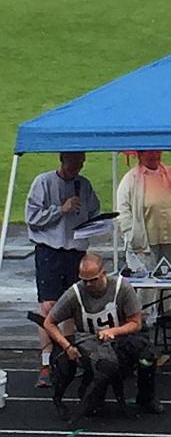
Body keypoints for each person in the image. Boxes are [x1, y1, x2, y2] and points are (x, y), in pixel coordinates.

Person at [42, 253, 163, 414]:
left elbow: (136, 323)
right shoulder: (74, 294)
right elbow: (49, 322)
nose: (89, 284)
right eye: (85, 280)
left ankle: (147, 397)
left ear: (104, 274)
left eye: (94, 279)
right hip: (90, 345)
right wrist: (67, 346)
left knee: (147, 356)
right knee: (92, 406)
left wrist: (113, 331)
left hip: (122, 341)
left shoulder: (122, 288)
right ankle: (90, 391)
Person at [25, 151, 100, 387]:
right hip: (50, 251)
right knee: (48, 306)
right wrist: (60, 209)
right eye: (73, 163)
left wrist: (96, 225)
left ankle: (69, 356)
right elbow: (32, 217)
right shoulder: (43, 182)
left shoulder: (84, 185)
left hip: (75, 251)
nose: (77, 167)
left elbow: (94, 212)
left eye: (81, 163)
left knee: (73, 305)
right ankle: (46, 363)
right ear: (62, 159)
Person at [117, 150, 171, 272]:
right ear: (140, 155)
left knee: (169, 277)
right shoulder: (131, 178)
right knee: (147, 281)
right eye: (150, 152)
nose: (155, 155)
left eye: (157, 152)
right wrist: (131, 233)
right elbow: (122, 210)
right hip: (146, 241)